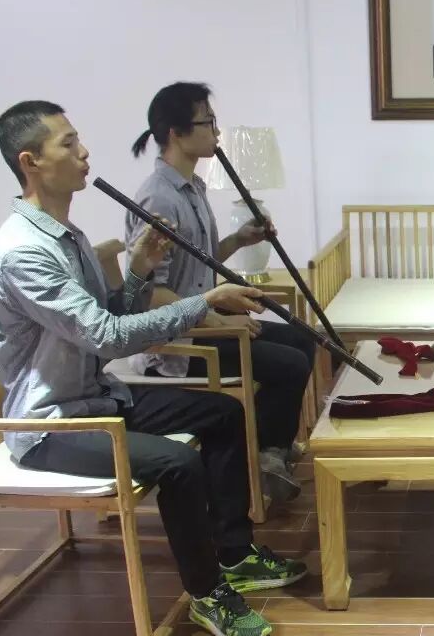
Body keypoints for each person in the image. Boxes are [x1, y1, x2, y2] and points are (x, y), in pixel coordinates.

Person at [0, 100, 308, 636]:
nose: (84, 152)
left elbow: (108, 315)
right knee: (178, 464)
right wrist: (204, 302)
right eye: (68, 143)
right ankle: (208, 593)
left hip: (97, 397)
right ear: (30, 162)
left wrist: (136, 272)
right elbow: (106, 336)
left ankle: (234, 554)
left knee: (223, 413)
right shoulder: (23, 251)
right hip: (51, 424)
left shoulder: (67, 236)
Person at [127, 82, 315, 504]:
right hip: (180, 346)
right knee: (288, 364)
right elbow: (150, 294)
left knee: (302, 338)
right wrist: (213, 317)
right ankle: (263, 458)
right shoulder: (159, 199)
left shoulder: (191, 187)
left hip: (203, 324)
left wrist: (239, 240)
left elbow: (200, 260)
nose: (216, 132)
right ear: (177, 133)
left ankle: (270, 447)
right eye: (207, 122)